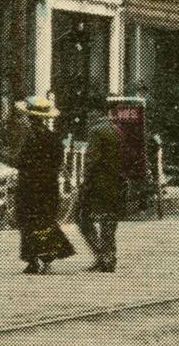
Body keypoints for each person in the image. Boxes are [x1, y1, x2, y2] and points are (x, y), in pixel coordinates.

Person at [12, 96, 73, 274]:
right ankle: (47, 260)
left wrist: (12, 160)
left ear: (31, 118)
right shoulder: (54, 139)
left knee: (27, 221)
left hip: (29, 186)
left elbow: (21, 161)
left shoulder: (29, 139)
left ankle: (32, 260)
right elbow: (59, 162)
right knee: (45, 220)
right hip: (48, 186)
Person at [77, 110, 124, 271]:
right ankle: (109, 258)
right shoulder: (116, 130)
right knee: (108, 221)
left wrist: (85, 182)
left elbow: (92, 160)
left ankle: (101, 256)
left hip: (97, 184)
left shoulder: (96, 131)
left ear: (92, 116)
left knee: (82, 217)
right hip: (114, 183)